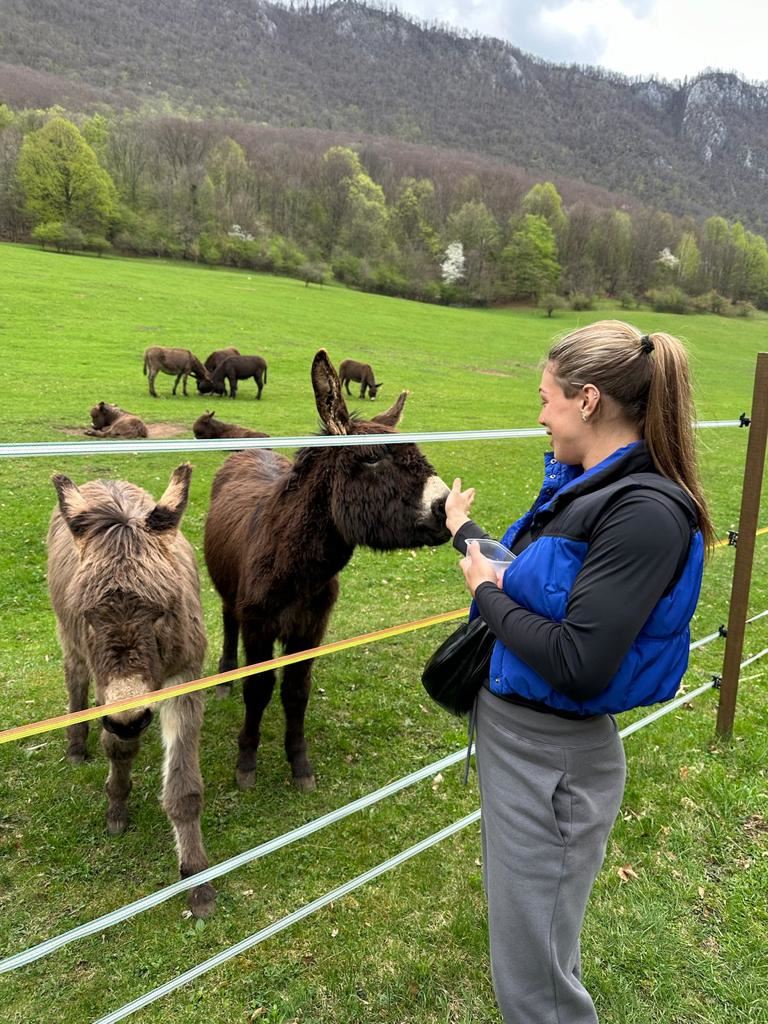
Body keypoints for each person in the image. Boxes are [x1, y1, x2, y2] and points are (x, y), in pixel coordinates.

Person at [444, 320, 713, 1024]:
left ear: (587, 399)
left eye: (545, 399)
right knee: (533, 949)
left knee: (534, 988)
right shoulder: (589, 489)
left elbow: (578, 661)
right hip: (526, 746)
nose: (538, 415)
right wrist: (465, 535)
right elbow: (542, 585)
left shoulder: (643, 513)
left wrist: (484, 595)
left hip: (551, 761)